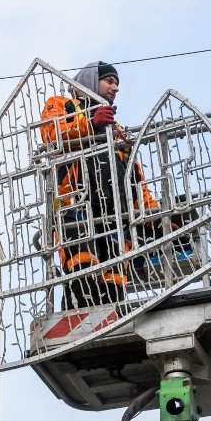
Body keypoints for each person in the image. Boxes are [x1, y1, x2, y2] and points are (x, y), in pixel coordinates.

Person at [40, 62, 161, 309]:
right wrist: (91, 124)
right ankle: (76, 330)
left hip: (114, 217)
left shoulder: (115, 130)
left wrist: (155, 216)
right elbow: (52, 134)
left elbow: (134, 178)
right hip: (75, 210)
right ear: (90, 81)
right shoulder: (64, 105)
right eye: (109, 80)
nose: (115, 88)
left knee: (113, 289)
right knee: (81, 277)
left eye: (117, 83)